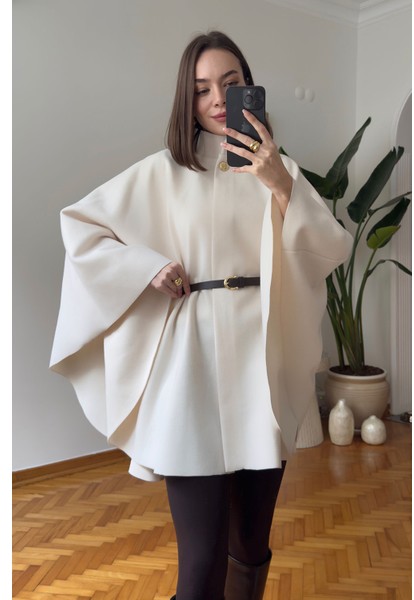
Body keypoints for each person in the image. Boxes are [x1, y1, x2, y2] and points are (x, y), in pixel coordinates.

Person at [50, 31, 352, 600]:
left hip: (260, 364)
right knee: (201, 560)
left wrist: (280, 185)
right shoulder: (161, 172)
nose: (217, 98)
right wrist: (146, 267)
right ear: (185, 100)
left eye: (230, 84)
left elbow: (330, 247)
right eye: (202, 88)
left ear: (248, 88)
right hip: (190, 368)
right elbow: (82, 227)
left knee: (251, 546)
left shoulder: (278, 170)